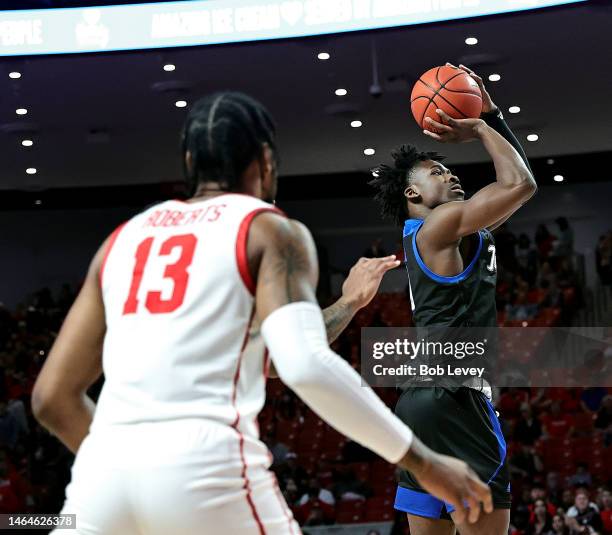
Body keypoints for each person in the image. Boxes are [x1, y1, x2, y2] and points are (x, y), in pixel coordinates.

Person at [31, 92, 492, 535]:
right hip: (205, 469)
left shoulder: (122, 241)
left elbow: (51, 399)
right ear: (267, 161)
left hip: (101, 479)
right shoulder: (268, 230)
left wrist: (350, 303)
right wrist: (425, 464)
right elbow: (304, 365)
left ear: (190, 164)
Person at [370, 63, 536, 535]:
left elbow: (516, 191)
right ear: (412, 192)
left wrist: (494, 113)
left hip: (420, 402)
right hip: (456, 397)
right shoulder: (438, 226)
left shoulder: (453, 232)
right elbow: (521, 184)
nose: (450, 175)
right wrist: (483, 122)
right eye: (436, 171)